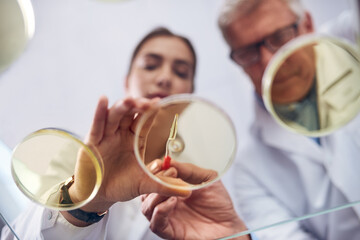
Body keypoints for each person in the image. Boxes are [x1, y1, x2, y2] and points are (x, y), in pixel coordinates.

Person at [142, 0, 360, 239]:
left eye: (279, 37)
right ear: (237, 61)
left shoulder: (350, 44)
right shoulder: (249, 169)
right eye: (249, 52)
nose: (268, 61)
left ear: (307, 25)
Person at [1, 27, 233, 239]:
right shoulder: (77, 157)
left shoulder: (203, 183)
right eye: (151, 65)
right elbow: (18, 235)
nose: (164, 78)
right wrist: (85, 201)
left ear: (189, 95)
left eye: (181, 72)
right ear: (127, 81)